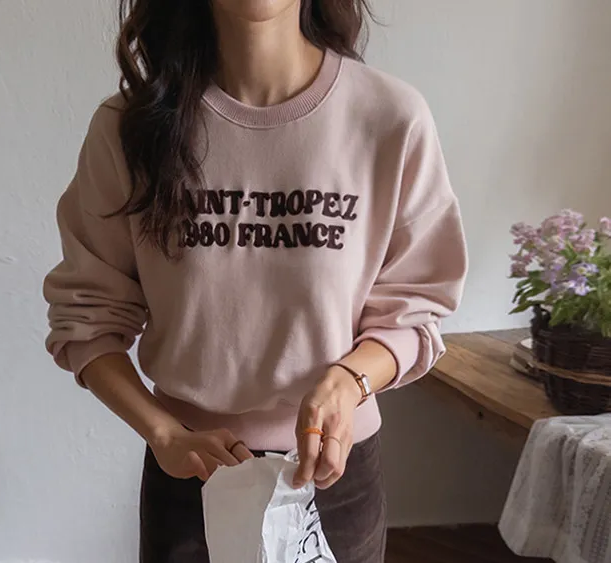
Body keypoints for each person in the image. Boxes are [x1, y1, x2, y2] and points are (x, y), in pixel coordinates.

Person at [43, 0, 468, 560]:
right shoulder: (129, 127)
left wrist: (349, 383)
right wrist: (163, 433)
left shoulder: (390, 118)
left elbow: (416, 308)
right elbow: (87, 320)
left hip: (335, 477)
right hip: (190, 478)